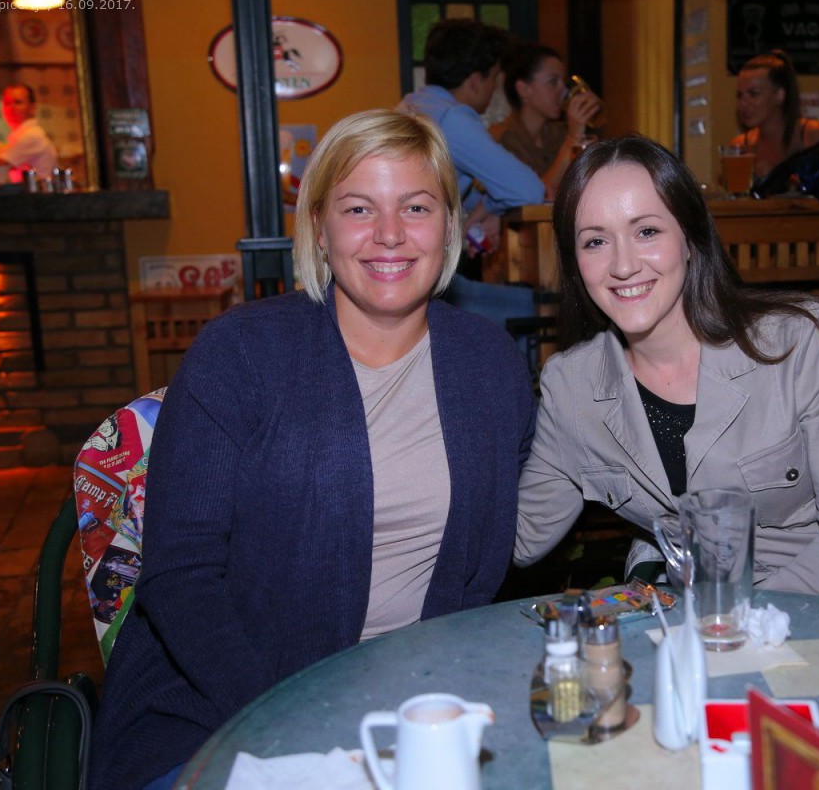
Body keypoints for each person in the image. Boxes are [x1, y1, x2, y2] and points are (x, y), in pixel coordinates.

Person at [89, 109, 536, 790]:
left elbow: (489, 564)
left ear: (449, 226)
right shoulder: (240, 353)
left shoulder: (491, 365)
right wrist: (304, 718)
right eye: (359, 208)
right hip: (221, 711)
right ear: (320, 229)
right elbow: (181, 578)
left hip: (418, 706)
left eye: (416, 207)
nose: (390, 233)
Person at [513, 135, 819, 600]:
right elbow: (520, 539)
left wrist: (734, 620)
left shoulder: (797, 342)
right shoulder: (572, 387)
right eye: (595, 241)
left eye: (647, 232)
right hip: (698, 614)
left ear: (691, 239)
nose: (623, 265)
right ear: (576, 263)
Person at [398, 18, 545, 330]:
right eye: (494, 78)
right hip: (423, 279)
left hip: (404, 264)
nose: (494, 90)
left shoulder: (413, 105)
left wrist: (483, 208)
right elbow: (529, 190)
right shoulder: (452, 119)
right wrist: (488, 208)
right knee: (538, 307)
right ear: (476, 80)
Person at [490, 41, 603, 200]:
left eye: (563, 82)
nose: (563, 91)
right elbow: (538, 197)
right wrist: (573, 138)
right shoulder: (501, 139)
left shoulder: (558, 133)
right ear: (524, 89)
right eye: (553, 82)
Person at [728, 50, 819, 183]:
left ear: (779, 95)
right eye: (740, 95)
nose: (743, 103)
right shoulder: (740, 145)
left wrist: (778, 178)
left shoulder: (811, 134)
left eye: (753, 94)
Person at [0, 83, 58, 183]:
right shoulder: (22, 134)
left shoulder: (31, 135)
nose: (11, 108)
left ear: (32, 108)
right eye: (7, 103)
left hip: (41, 192)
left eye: (18, 102)